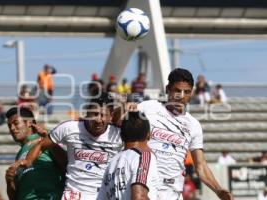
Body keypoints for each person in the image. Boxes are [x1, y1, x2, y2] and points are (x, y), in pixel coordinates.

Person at [113, 68, 233, 200]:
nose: (181, 96)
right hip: (146, 190)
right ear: (167, 89)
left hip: (173, 194)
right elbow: (117, 120)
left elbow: (201, 166)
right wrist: (123, 108)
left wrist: (218, 189)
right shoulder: (149, 107)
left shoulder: (193, 125)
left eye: (186, 92)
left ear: (191, 93)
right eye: (177, 90)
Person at [12, 94, 122, 200]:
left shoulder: (118, 135)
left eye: (103, 115)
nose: (98, 120)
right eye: (94, 114)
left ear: (111, 116)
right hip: (74, 194)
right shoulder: (69, 128)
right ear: (87, 113)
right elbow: (41, 145)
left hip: (104, 194)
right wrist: (28, 161)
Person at [5, 107, 65, 200]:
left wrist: (46, 138)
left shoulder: (46, 140)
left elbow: (67, 163)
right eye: (9, 126)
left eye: (16, 123)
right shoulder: (19, 155)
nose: (12, 128)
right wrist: (10, 181)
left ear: (29, 123)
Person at [97, 111, 158, 200]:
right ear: (149, 135)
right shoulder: (143, 156)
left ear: (121, 136)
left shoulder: (112, 163)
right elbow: (139, 196)